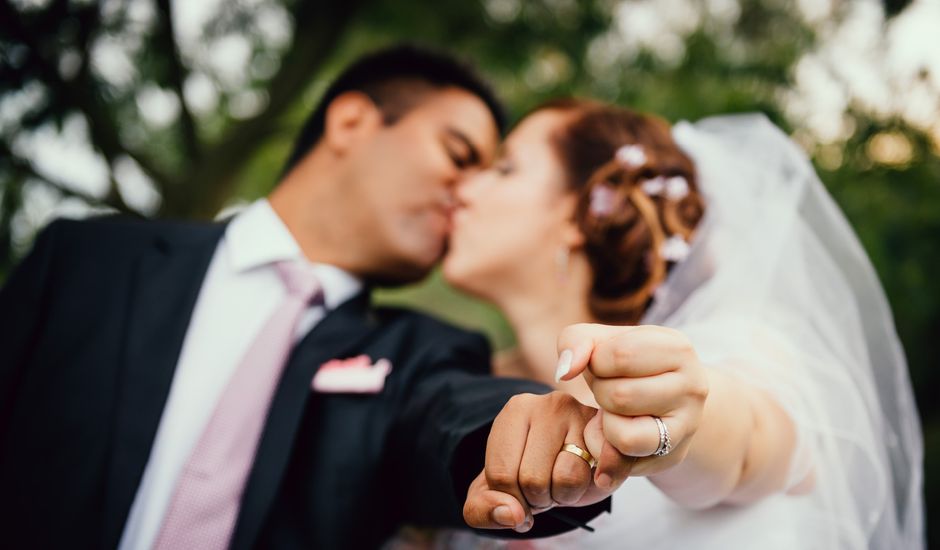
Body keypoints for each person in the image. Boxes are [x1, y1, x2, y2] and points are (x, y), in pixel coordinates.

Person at [0, 47, 624, 550]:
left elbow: (452, 420)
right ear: (351, 120)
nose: (468, 193)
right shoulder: (86, 260)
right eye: (459, 156)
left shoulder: (424, 347)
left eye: (491, 173)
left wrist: (529, 435)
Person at [444, 99, 923, 548]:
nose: (463, 188)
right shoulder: (456, 382)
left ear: (583, 210)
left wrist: (673, 424)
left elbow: (748, 441)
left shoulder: (724, 353)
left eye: (504, 169)